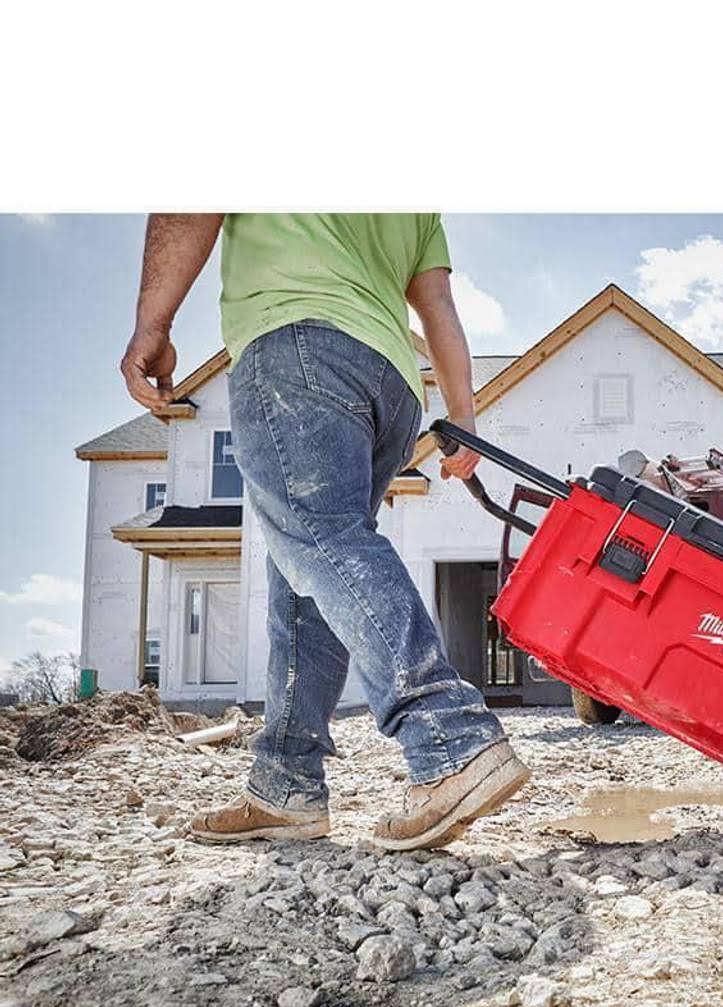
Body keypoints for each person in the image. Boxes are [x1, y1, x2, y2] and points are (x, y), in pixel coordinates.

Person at [121, 213, 529, 852]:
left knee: (325, 542)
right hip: (392, 383)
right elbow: (439, 308)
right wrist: (463, 413)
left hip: (297, 344)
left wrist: (154, 324)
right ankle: (286, 783)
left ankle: (450, 737)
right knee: (306, 576)